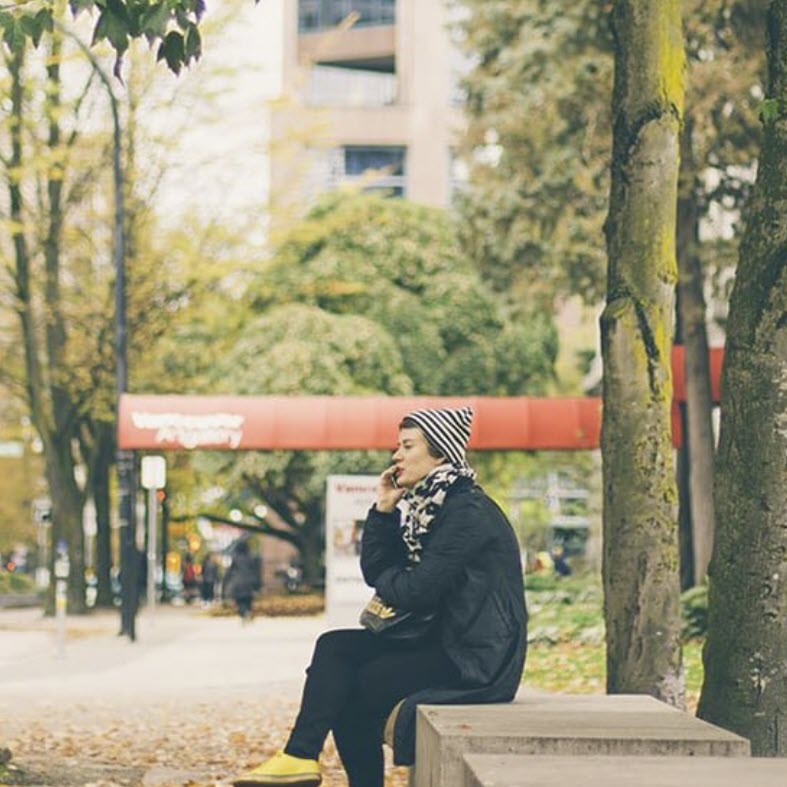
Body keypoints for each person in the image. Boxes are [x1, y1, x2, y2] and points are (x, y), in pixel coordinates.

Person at [232, 406, 527, 787]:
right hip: (442, 639)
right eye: (398, 446)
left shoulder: (467, 511)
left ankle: (306, 758)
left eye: (407, 446)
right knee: (334, 647)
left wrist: (395, 578)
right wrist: (385, 510)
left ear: (440, 451)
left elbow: (416, 591)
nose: (396, 456)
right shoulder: (429, 507)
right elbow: (380, 574)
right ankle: (300, 755)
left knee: (355, 687)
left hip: (474, 657)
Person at [224, 540, 260, 622]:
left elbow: (230, 572)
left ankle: (243, 613)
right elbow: (256, 571)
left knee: (240, 600)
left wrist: (227, 581)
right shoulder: (251, 558)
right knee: (248, 599)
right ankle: (248, 611)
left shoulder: (235, 559)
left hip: (238, 583)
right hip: (249, 582)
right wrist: (257, 584)